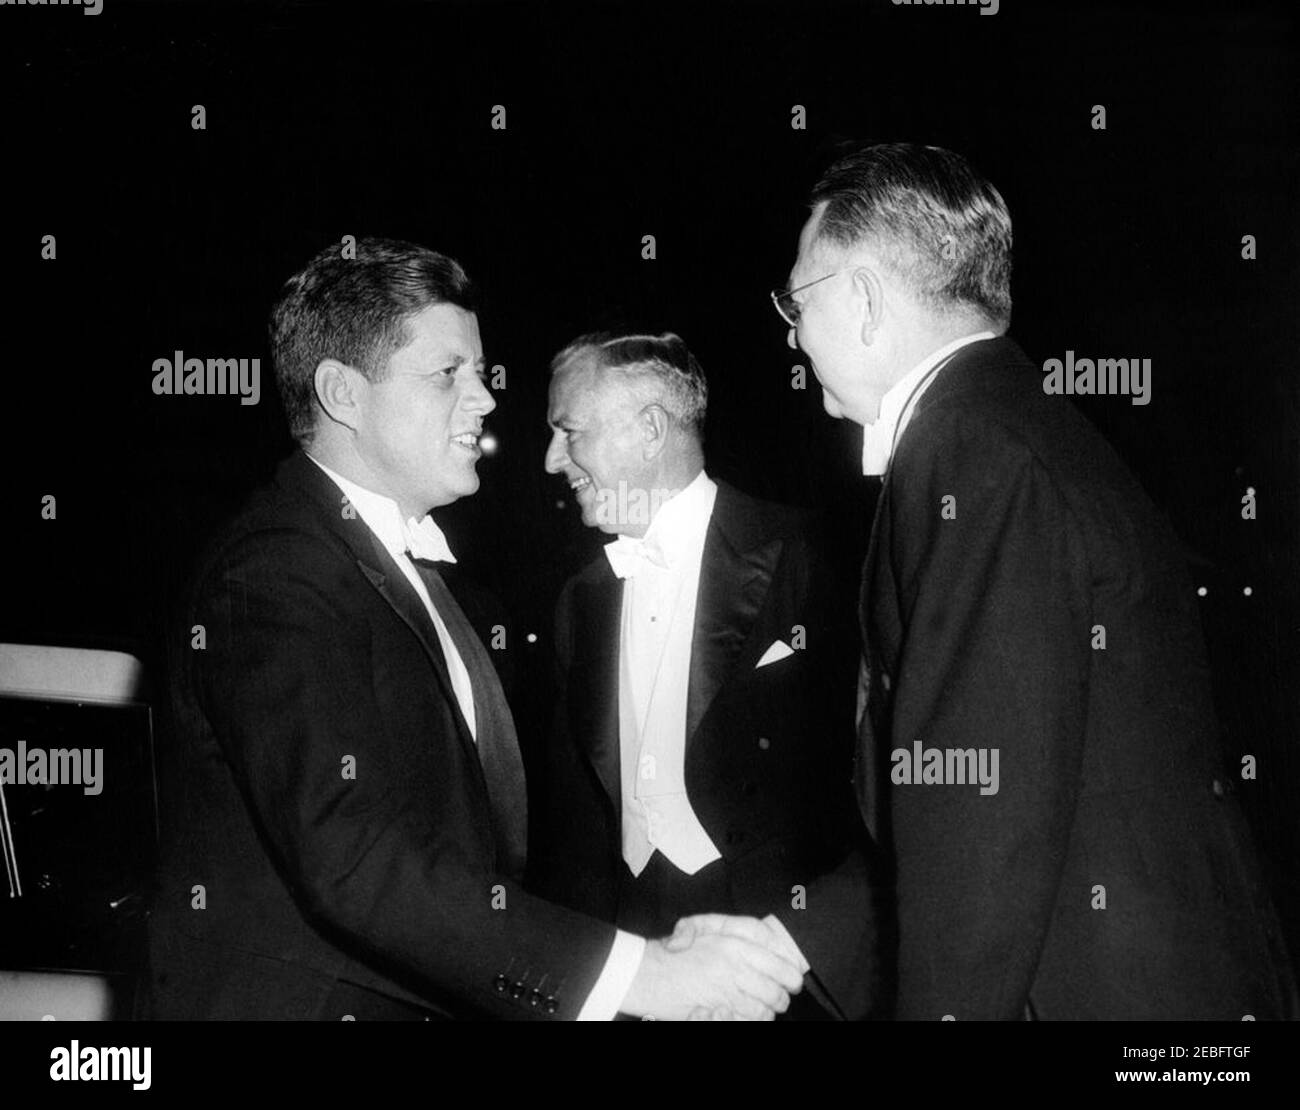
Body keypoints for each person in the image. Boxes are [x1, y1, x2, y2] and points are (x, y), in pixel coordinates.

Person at [688, 142, 1296, 1019]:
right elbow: (988, 796)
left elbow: (983, 824)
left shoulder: (970, 453)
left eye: (797, 299)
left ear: (861, 300)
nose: (789, 330)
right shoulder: (1011, 426)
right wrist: (790, 939)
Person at [146, 238, 802, 1021]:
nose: (488, 400)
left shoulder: (414, 572)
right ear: (343, 394)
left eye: (479, 372)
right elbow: (352, 856)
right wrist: (638, 973)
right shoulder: (273, 575)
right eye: (448, 374)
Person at [532, 332, 876, 1019]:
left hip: (785, 968)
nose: (551, 460)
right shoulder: (580, 599)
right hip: (634, 964)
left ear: (651, 428)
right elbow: (574, 830)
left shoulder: (813, 559)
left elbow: (882, 796)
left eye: (569, 431)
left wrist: (815, 945)